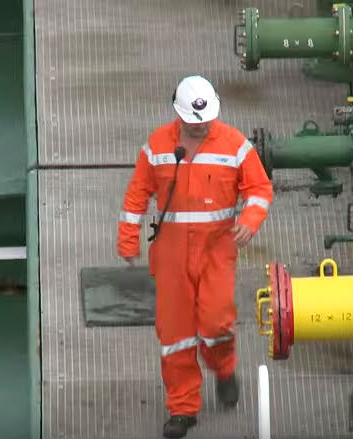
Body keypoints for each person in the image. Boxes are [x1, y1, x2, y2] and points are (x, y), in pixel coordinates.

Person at [117, 75, 273, 438]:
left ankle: (223, 368)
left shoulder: (235, 145)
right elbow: (137, 194)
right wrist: (128, 240)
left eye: (205, 120)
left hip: (217, 250)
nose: (201, 126)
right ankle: (183, 410)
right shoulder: (157, 146)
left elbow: (259, 188)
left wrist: (250, 220)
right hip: (171, 253)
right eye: (194, 121)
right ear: (180, 114)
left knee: (217, 322)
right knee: (176, 335)